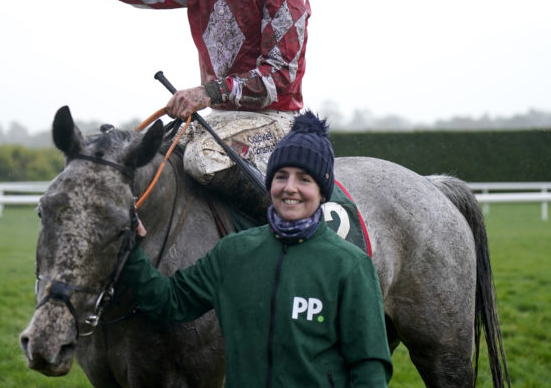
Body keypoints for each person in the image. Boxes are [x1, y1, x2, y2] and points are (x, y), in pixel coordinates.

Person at [122, 112, 393, 387]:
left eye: (304, 179)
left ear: (323, 192)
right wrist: (130, 251)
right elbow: (171, 301)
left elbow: (369, 366)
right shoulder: (233, 253)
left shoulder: (350, 265)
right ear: (269, 183)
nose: (290, 188)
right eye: (281, 176)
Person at [102, 0, 312, 215]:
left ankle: (285, 227)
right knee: (149, 159)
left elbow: (278, 79)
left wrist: (207, 93)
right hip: (222, 118)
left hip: (275, 120)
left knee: (202, 161)